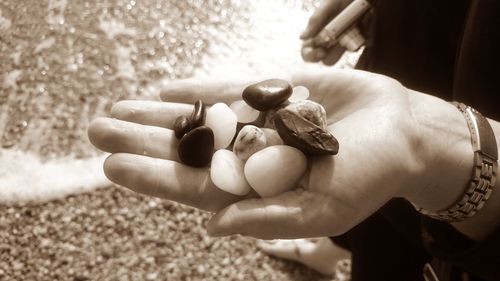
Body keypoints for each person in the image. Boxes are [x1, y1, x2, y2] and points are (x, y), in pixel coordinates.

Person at [87, 0, 500, 280]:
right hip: (416, 55)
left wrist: (440, 149)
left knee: (386, 226)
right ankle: (338, 249)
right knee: (374, 220)